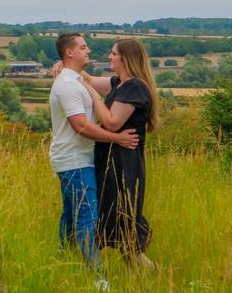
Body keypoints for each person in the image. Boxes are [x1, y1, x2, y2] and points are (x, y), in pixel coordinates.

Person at [48, 33, 139, 279]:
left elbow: (101, 84)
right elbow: (81, 126)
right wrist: (117, 138)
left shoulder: (75, 80)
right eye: (83, 47)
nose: (88, 50)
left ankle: (63, 265)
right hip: (75, 161)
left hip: (74, 160)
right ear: (70, 52)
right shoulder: (68, 85)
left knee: (71, 216)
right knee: (87, 219)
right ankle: (99, 279)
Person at [76, 38, 159, 270]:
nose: (109, 57)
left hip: (123, 164)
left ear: (125, 58)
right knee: (117, 224)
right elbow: (89, 79)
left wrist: (94, 96)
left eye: (113, 53)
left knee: (120, 219)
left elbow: (112, 123)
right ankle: (143, 276)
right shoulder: (120, 83)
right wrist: (65, 66)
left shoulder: (134, 87)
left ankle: (149, 274)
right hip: (113, 160)